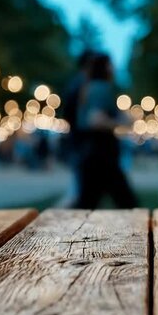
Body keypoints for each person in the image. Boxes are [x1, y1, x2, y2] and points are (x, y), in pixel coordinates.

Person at [74, 53, 138, 209]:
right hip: (102, 154)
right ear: (105, 67)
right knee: (127, 202)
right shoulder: (101, 88)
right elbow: (95, 120)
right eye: (111, 64)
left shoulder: (89, 88)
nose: (114, 68)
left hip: (92, 153)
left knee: (87, 204)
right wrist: (119, 123)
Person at [56, 50, 94, 207]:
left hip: (77, 139)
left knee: (80, 184)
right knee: (81, 186)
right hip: (83, 140)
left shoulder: (75, 83)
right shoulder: (83, 85)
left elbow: (66, 113)